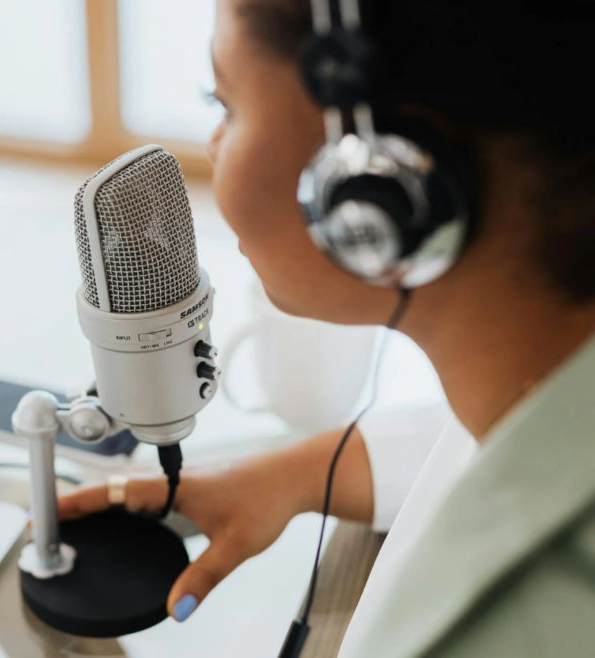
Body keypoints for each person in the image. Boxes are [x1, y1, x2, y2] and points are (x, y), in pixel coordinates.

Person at [59, 1, 595, 656]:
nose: (212, 145)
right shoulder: (543, 377)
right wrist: (290, 476)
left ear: (374, 179)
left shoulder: (530, 623)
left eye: (224, 103)